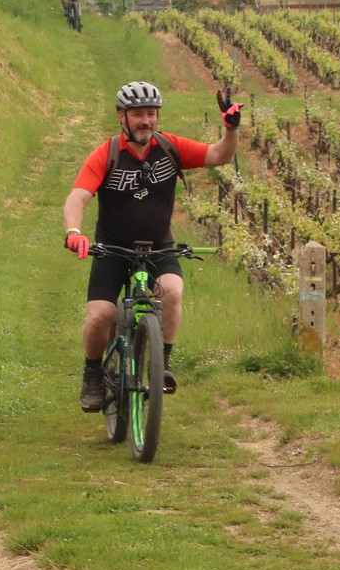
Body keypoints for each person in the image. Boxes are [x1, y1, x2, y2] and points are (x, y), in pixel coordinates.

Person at [62, 81, 242, 412]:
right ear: (122, 117)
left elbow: (220, 155)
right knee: (100, 314)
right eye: (138, 115)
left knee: (171, 291)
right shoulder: (107, 154)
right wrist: (74, 231)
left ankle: (163, 362)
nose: (146, 121)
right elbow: (78, 197)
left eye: (151, 114)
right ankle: (92, 375)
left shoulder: (170, 148)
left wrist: (231, 130)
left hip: (158, 247)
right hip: (112, 249)